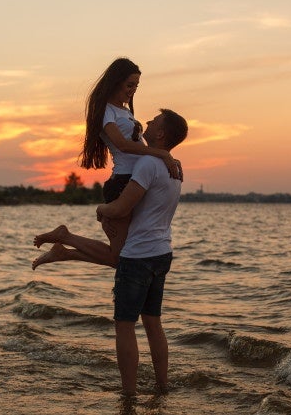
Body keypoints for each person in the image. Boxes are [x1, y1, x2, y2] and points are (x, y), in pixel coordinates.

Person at [36, 109, 188, 395]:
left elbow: (120, 208)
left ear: (161, 134)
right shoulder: (175, 168)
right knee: (153, 323)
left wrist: (101, 208)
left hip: (139, 255)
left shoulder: (147, 164)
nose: (150, 122)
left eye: (155, 121)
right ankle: (162, 387)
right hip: (161, 252)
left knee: (125, 326)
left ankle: (128, 395)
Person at [32, 58, 180, 270]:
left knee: (126, 253)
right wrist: (161, 154)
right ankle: (66, 238)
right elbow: (122, 144)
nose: (133, 90)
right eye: (130, 85)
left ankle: (64, 250)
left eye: (136, 86)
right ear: (115, 82)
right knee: (119, 257)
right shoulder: (105, 111)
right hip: (122, 184)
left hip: (136, 181)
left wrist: (166, 158)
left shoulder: (125, 111)